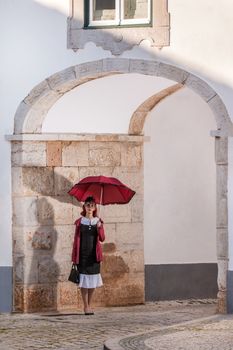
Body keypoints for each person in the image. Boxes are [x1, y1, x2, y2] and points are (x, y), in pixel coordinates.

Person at [71, 196, 105, 315]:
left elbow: (102, 238)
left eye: (92, 205)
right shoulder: (80, 222)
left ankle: (90, 305)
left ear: (95, 208)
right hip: (82, 256)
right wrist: (74, 257)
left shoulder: (98, 221)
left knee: (92, 281)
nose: (90, 207)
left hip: (94, 256)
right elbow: (76, 241)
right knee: (84, 282)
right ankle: (85, 306)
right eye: (87, 205)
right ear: (84, 207)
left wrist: (100, 228)